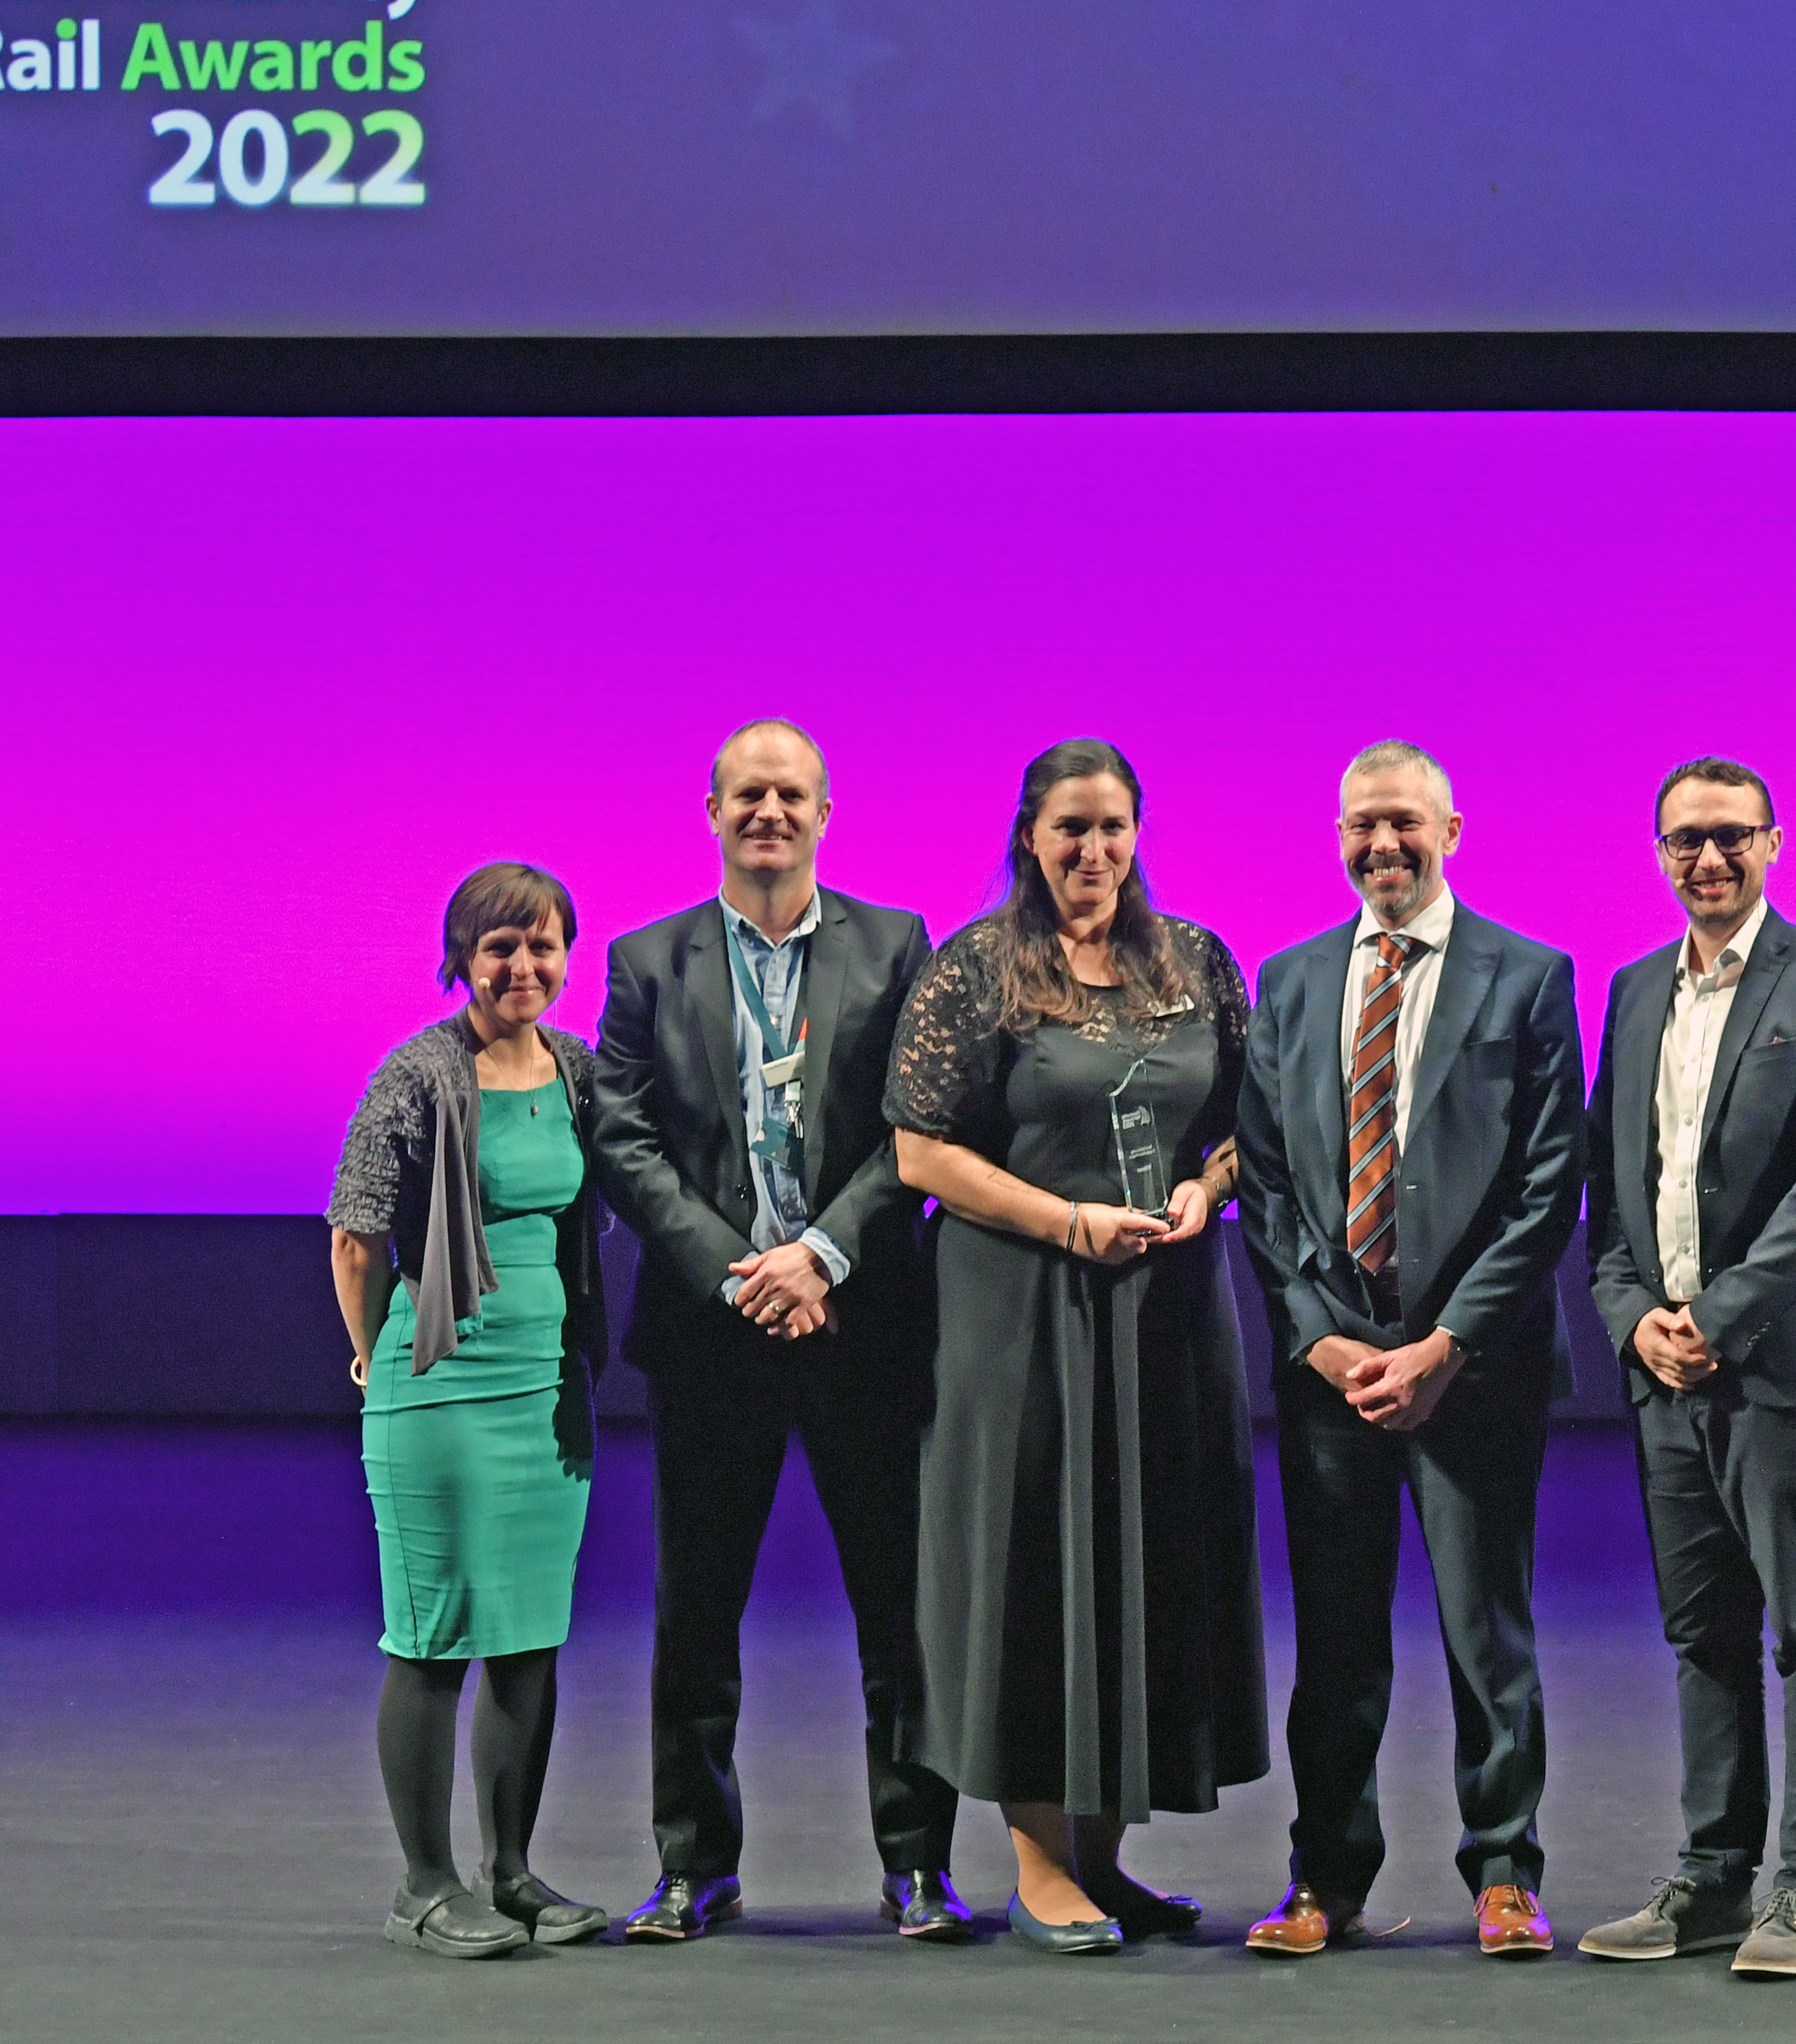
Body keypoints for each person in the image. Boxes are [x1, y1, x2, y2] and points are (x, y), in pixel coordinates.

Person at [886, 740, 1269, 1955]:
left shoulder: (1196, 959)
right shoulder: (976, 969)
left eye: (1112, 828)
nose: (1093, 852)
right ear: (1030, 838)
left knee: (1146, 1558)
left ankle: (1106, 1858)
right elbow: (919, 1152)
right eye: (1070, 830)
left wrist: (1211, 1193)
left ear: (1139, 833)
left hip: (1166, 1309)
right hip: (1019, 1314)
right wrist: (1065, 1220)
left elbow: (1241, 1128)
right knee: (1031, 1558)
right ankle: (1040, 1861)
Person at [590, 719, 968, 1946]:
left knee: (899, 1615)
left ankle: (918, 1866)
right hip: (714, 1334)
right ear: (709, 809)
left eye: (791, 794)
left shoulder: (898, 944)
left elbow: (916, 1125)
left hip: (863, 1324)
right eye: (748, 793)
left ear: (825, 813)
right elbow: (625, 1139)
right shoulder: (647, 960)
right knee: (696, 1615)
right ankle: (694, 1867)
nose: (769, 811)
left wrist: (820, 1255)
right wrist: (736, 1271)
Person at [1234, 741, 1587, 1960]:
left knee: (1489, 1636)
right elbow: (1266, 1188)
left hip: (1472, 1368)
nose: (1383, 845)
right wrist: (1320, 1341)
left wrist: (1445, 1342)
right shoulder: (1287, 982)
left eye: (1405, 824)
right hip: (1334, 1377)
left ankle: (1506, 1875)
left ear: (1452, 829)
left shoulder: (1531, 977)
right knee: (1333, 1643)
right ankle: (1323, 1879)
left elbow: (1549, 1187)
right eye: (1361, 825)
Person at [1577, 759, 1796, 1980]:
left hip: (1784, 1374)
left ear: (1775, 843)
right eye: (1685, 840)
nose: (1708, 859)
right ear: (1659, 853)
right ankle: (1713, 1878)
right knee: (1703, 1634)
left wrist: (1720, 1313)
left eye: (1731, 837)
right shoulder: (1636, 988)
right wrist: (1630, 1318)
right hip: (1668, 1377)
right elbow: (1613, 1186)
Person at [326, 863, 616, 1959]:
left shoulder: (578, 1071)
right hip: (439, 1382)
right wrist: (371, 1358)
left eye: (542, 945)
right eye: (500, 946)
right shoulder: (418, 1072)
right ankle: (426, 1883)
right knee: (436, 1636)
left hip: (549, 1389)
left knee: (529, 1638)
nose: (523, 967)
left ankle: (511, 1871)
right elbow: (356, 1235)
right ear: (460, 955)